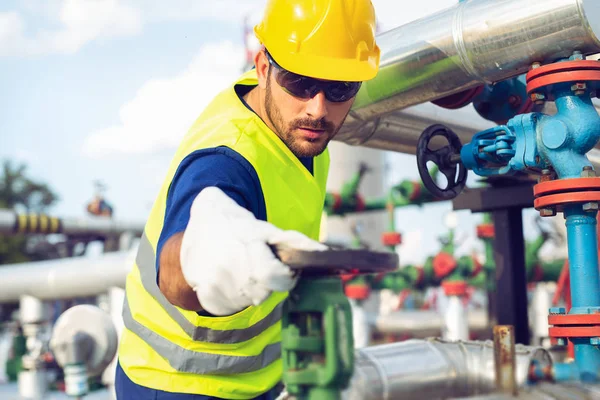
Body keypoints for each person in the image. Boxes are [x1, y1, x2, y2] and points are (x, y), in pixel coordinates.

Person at [115, 0, 380, 398]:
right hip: (180, 382)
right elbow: (173, 271)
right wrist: (213, 253)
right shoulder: (229, 159)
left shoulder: (295, 127)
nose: (318, 108)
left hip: (256, 380)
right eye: (301, 83)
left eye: (340, 87)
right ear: (262, 68)